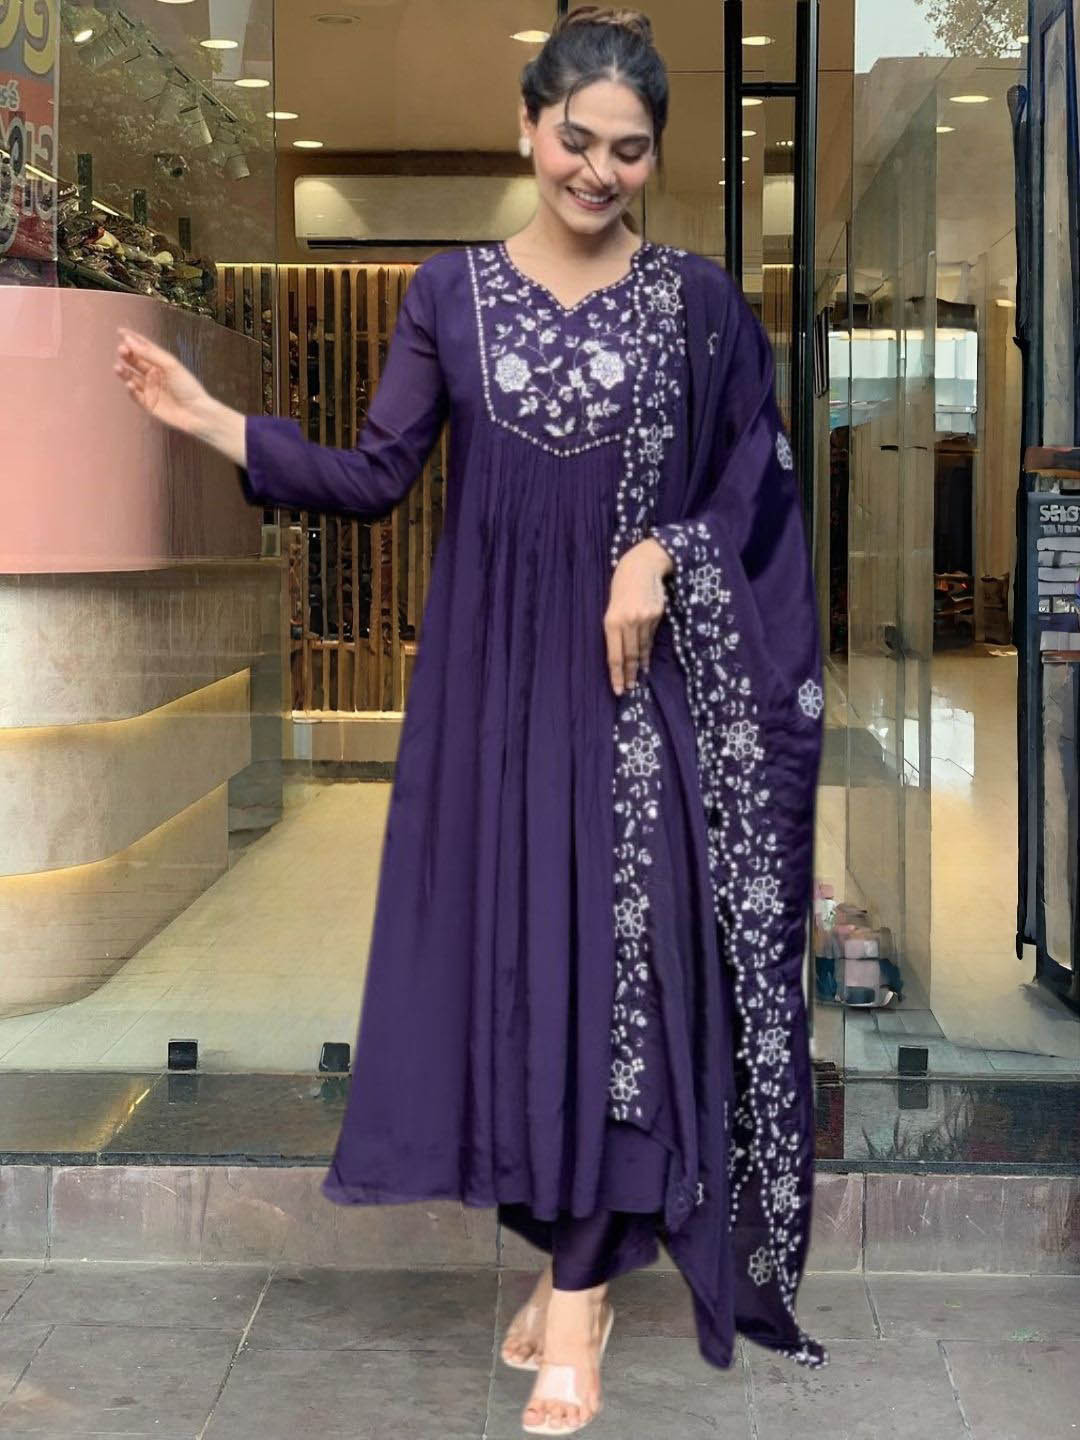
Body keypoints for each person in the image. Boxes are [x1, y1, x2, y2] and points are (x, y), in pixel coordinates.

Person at [112, 7, 827, 1433]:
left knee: (621, 979)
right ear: (527, 127)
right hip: (491, 698)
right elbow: (377, 473)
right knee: (516, 981)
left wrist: (662, 550)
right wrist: (213, 424)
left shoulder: (696, 307)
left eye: (631, 150)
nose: (600, 171)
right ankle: (571, 1266)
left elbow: (755, 480)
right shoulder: (449, 295)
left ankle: (579, 1299)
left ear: (655, 157)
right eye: (577, 138)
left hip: (634, 697)